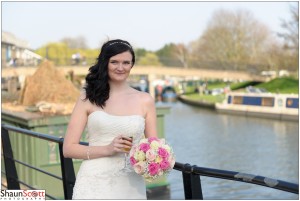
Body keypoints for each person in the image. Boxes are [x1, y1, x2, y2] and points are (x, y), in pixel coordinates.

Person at [63, 39, 158, 199]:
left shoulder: (145, 100)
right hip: (94, 183)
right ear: (105, 63)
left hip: (130, 184)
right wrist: (107, 149)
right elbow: (68, 149)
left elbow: (154, 147)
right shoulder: (87, 98)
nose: (120, 68)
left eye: (126, 63)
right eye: (114, 62)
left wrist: (158, 160)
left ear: (132, 65)